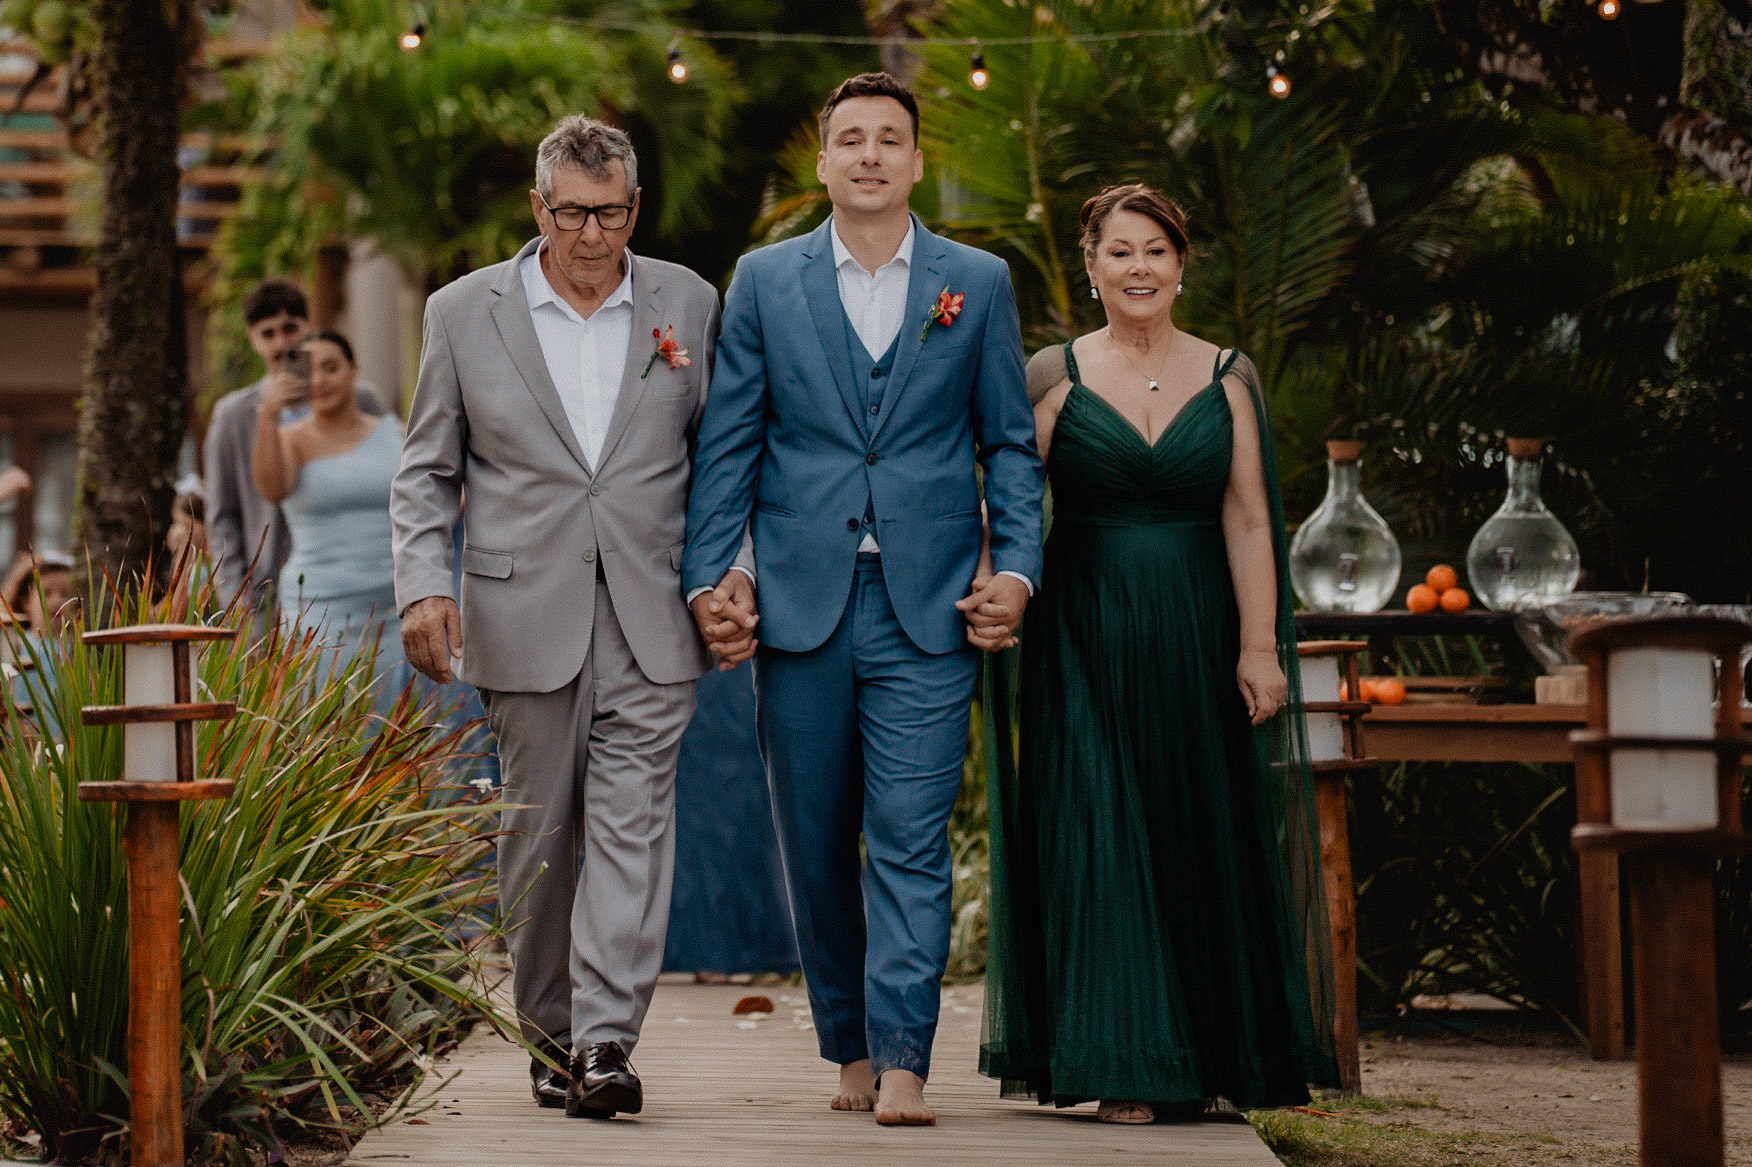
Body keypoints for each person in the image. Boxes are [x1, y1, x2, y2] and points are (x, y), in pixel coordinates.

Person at [683, 72, 1044, 1126]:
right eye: (852, 138)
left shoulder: (975, 282)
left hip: (928, 607)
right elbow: (729, 451)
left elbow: (1010, 448)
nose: (872, 154)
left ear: (918, 162)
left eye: (892, 138)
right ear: (825, 162)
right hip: (799, 603)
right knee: (815, 834)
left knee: (908, 833)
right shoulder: (763, 281)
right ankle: (846, 1041)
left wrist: (1013, 572)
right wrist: (718, 579)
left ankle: (904, 1064)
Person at [392, 115, 747, 1121]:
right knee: (538, 840)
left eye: (613, 214)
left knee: (634, 828)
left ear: (636, 208)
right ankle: (547, 1032)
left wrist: (734, 574)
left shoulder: (688, 300)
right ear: (537, 209)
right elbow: (426, 467)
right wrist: (425, 581)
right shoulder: (464, 311)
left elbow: (723, 460)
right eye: (573, 214)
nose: (594, 236)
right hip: (518, 608)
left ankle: (603, 1042)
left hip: (654, 606)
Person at [980, 184, 1338, 1124]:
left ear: (1182, 265)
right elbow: (1008, 502)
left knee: (1193, 823)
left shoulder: (1227, 374)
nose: (1139, 268)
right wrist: (990, 587)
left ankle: (1210, 1051)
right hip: (1083, 633)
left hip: (1197, 629)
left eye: (1156, 251)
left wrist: (1259, 645)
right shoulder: (1051, 374)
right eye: (1119, 252)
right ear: (1090, 267)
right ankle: (1125, 1060)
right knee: (1100, 825)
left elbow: (1251, 515)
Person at [204, 279, 383, 614]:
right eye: (267, 333)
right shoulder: (233, 416)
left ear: (309, 325)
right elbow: (221, 515)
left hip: (351, 583)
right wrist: (234, 596)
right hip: (263, 592)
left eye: (289, 328)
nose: (281, 343)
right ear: (252, 340)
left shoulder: (361, 399)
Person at [251, 330, 406, 684]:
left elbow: (435, 497)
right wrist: (267, 415)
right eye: (311, 371)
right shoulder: (290, 439)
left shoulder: (395, 432)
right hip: (321, 611)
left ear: (354, 369)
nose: (320, 380)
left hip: (395, 610)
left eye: (331, 368)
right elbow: (272, 489)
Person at [662, 664, 799, 981]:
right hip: (686, 650)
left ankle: (744, 946)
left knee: (742, 786)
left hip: (740, 652)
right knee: (689, 789)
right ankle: (703, 949)